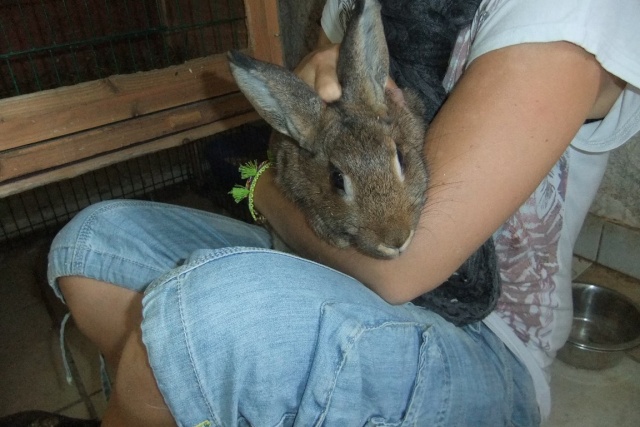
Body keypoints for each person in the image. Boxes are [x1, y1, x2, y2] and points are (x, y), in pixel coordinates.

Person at [33, 0, 640, 425]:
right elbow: (329, 95)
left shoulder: (572, 12)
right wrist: (313, 87)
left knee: (202, 313)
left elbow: (400, 265)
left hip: (482, 342)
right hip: (324, 265)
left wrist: (263, 190)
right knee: (92, 244)